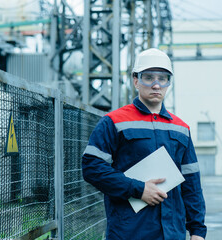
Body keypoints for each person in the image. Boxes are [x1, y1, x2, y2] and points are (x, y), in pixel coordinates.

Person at [82, 48, 207, 240]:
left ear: (168, 82)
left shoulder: (181, 128)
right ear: (135, 81)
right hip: (129, 232)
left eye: (162, 78)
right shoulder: (114, 122)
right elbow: (92, 167)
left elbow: (191, 183)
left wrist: (197, 230)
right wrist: (138, 189)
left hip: (172, 233)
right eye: (148, 77)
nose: (156, 85)